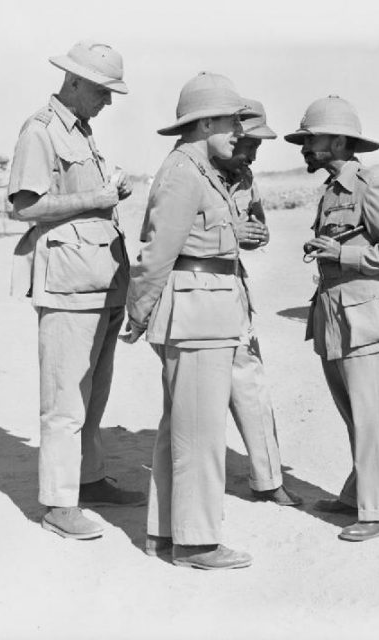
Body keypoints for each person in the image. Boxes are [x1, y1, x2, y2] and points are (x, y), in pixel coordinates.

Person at [124, 72, 260, 570]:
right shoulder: (184, 172)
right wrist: (138, 312)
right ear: (204, 122)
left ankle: (166, 535)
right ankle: (198, 543)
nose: (238, 133)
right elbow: (157, 253)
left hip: (204, 310)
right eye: (230, 123)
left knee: (180, 429)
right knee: (200, 434)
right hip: (197, 314)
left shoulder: (200, 168)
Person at [8, 40, 144, 540]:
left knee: (94, 394)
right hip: (66, 283)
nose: (107, 102)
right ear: (74, 82)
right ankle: (59, 504)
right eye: (102, 91)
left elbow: (78, 199)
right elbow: (22, 207)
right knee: (65, 399)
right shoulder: (40, 131)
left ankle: (87, 479)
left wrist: (112, 194)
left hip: (99, 279)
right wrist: (97, 197)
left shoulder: (81, 133)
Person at [285, 95, 379, 541]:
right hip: (337, 317)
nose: (304, 147)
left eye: (312, 139)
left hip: (368, 321)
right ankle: (359, 493)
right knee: (355, 416)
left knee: (373, 417)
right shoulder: (332, 190)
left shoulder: (370, 187)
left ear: (340, 140)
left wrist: (344, 253)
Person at [213, 99, 303, 508]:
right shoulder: (189, 174)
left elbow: (259, 226)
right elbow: (162, 240)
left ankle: (267, 480)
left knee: (251, 386)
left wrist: (256, 235)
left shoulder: (244, 175)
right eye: (248, 144)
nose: (253, 154)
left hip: (231, 291)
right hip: (193, 298)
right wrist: (232, 234)